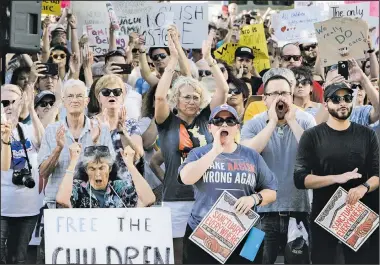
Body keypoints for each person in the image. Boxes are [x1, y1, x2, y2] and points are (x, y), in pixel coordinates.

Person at [154, 32, 228, 263]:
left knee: (206, 254)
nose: (191, 101)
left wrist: (210, 59)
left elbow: (223, 92)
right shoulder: (167, 123)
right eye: (186, 97)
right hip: (175, 197)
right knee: (176, 255)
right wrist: (172, 62)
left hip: (206, 197)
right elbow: (159, 99)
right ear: (176, 99)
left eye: (196, 97)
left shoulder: (207, 118)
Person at [179, 104, 278, 264]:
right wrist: (215, 151)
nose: (224, 124)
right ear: (210, 127)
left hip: (249, 233)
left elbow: (272, 191)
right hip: (204, 232)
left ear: (237, 127)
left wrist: (253, 199)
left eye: (230, 121)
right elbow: (186, 178)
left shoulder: (252, 156)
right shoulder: (198, 153)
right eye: (218, 121)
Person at [294, 81, 379, 264]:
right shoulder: (312, 135)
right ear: (325, 104)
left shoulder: (367, 134)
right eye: (336, 99)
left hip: (359, 216)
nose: (343, 103)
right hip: (324, 215)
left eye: (347, 98)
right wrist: (335, 178)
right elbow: (300, 179)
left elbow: (377, 174)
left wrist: (363, 187)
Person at [241, 68, 316, 264]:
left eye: (284, 93)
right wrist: (272, 123)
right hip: (259, 212)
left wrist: (291, 121)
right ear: (264, 99)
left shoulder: (306, 120)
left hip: (299, 211)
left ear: (291, 96)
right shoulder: (252, 124)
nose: (279, 98)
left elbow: (315, 155)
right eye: (273, 93)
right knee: (252, 260)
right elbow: (249, 155)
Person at [1, 84, 44, 264]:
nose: (10, 106)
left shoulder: (27, 129)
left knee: (19, 260)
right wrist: (5, 137)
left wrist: (32, 111)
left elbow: (43, 145)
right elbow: (4, 166)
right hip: (2, 209)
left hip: (27, 209)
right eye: (5, 102)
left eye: (14, 102)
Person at [56, 144, 155, 208]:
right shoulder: (78, 188)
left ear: (110, 169)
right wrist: (73, 161)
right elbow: (62, 200)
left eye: (102, 168)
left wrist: (130, 165)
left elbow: (148, 199)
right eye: (92, 169)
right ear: (86, 170)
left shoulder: (120, 188)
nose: (97, 173)